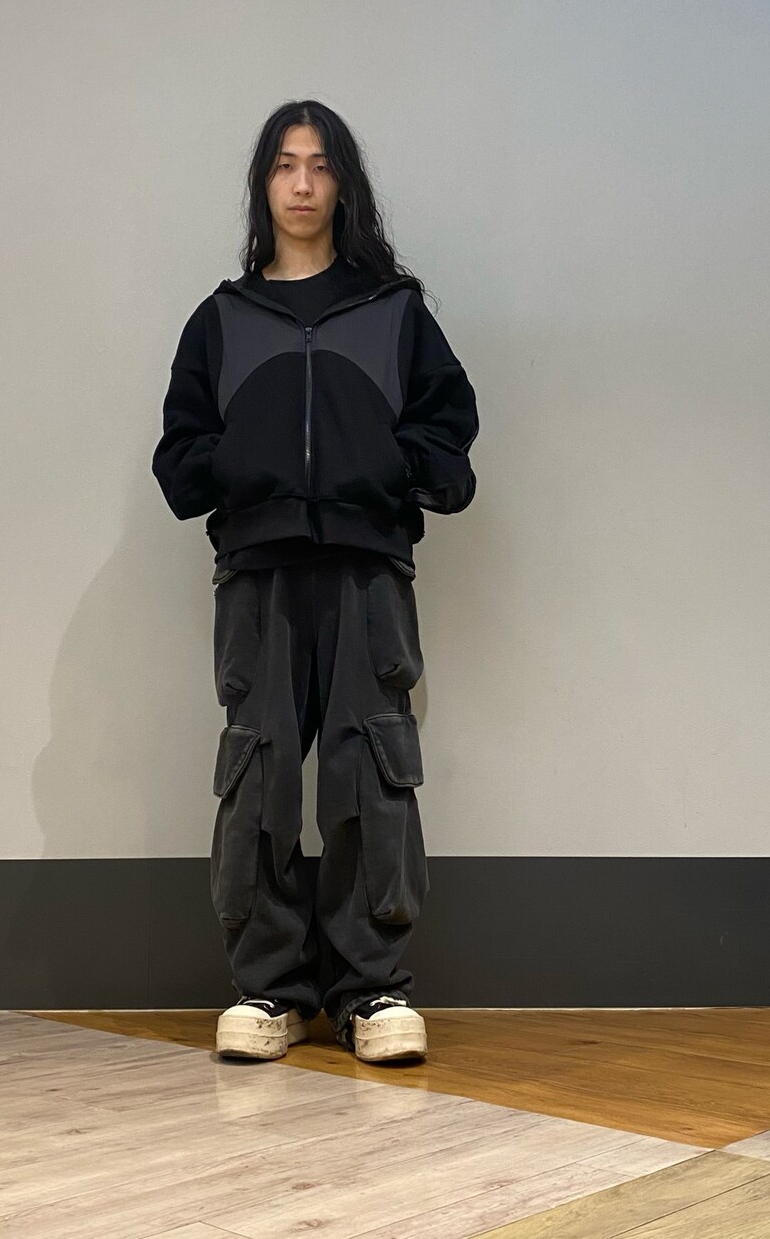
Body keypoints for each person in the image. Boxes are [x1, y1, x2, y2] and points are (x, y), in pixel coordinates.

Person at [151, 99, 479, 1064]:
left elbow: (448, 430)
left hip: (367, 569)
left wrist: (388, 469)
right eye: (285, 165)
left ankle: (372, 989)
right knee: (257, 769)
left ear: (344, 184)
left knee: (370, 765)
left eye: (321, 165)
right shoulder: (223, 319)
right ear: (263, 184)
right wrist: (240, 471)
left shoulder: (394, 312)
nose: (302, 184)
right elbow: (180, 453)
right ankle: (270, 989)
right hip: (257, 572)